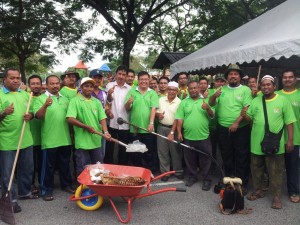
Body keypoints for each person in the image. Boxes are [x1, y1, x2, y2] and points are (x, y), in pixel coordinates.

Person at [241, 75, 295, 209]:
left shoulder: (283, 101)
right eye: (263, 85)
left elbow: (290, 122)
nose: (265, 87)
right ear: (260, 87)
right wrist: (245, 115)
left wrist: (290, 141)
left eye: (268, 84)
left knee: (275, 171)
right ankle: (258, 191)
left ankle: (276, 197)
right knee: (256, 169)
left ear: (274, 86)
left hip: (274, 144)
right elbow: (251, 120)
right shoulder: (256, 101)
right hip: (256, 143)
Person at [209, 64, 252, 191]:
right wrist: (214, 96)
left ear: (239, 76)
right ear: (227, 76)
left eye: (235, 74)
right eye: (230, 74)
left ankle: (242, 183)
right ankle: (229, 180)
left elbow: (246, 108)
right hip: (223, 128)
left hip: (241, 128)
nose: (233, 76)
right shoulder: (222, 89)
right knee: (226, 155)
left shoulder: (245, 90)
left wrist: (236, 123)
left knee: (241, 156)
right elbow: (211, 103)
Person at [0, 68, 37, 214]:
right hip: (7, 140)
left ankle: (25, 192)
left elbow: (33, 111)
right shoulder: (1, 95)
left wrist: (31, 115)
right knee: (7, 173)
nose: (16, 80)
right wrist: (4, 113)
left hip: (25, 138)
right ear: (4, 80)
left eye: (18, 78)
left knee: (27, 169)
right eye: (12, 78)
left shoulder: (26, 94)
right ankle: (11, 199)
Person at [34, 75, 74, 201]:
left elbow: (71, 117)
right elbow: (38, 116)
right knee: (48, 167)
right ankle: (45, 189)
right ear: (47, 84)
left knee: (65, 164)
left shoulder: (65, 99)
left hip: (65, 138)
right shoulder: (40, 99)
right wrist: (45, 105)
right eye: (52, 83)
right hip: (49, 140)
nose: (55, 85)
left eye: (57, 83)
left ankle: (66, 185)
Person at [66, 77, 111, 176]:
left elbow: (102, 118)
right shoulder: (75, 101)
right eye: (86, 86)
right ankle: (83, 188)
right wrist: (86, 127)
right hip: (82, 142)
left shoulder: (96, 102)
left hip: (96, 140)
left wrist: (106, 132)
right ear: (81, 87)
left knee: (98, 167)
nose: (89, 88)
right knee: (83, 167)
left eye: (91, 86)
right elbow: (70, 118)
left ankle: (96, 188)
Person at [176, 81, 214, 190]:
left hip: (204, 136)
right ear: (188, 89)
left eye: (195, 88)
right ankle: (192, 177)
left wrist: (207, 108)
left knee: (205, 159)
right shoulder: (184, 102)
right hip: (188, 137)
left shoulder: (206, 100)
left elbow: (212, 116)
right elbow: (180, 118)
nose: (193, 90)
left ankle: (206, 180)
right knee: (189, 159)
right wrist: (179, 132)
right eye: (191, 88)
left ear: (199, 88)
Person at [125, 71, 159, 172]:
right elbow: (127, 108)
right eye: (141, 79)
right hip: (134, 128)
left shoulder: (152, 93)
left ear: (148, 80)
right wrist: (128, 102)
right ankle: (138, 172)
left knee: (149, 152)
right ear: (138, 80)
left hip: (148, 128)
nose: (143, 81)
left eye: (145, 79)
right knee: (136, 152)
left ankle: (149, 172)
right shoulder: (132, 91)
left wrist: (151, 123)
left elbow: (153, 108)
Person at [276, 69, 300, 203]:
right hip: (277, 139)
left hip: (295, 138)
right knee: (276, 167)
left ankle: (294, 191)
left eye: (290, 77)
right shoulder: (276, 94)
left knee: (293, 167)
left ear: (295, 79)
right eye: (285, 77)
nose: (287, 79)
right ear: (282, 80)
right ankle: (275, 192)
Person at [105, 65, 131, 165]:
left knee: (123, 147)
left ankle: (122, 166)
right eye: (119, 74)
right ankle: (109, 166)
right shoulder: (109, 86)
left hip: (125, 122)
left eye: (124, 75)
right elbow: (107, 102)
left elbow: (130, 105)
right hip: (112, 122)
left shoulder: (129, 89)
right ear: (116, 74)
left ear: (126, 76)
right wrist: (109, 94)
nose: (121, 76)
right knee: (110, 147)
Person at [156, 81, 183, 181]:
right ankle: (165, 173)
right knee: (162, 151)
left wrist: (172, 132)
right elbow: (156, 113)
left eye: (174, 90)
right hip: (161, 127)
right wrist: (159, 115)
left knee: (175, 152)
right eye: (170, 89)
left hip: (174, 129)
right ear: (167, 90)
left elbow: (178, 118)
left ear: (177, 91)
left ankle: (178, 171)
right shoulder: (161, 100)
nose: (171, 91)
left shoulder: (180, 102)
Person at [28, 74, 43, 194]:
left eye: (38, 83)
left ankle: (43, 184)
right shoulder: (25, 98)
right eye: (33, 84)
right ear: (29, 86)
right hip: (29, 137)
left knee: (42, 164)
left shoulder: (45, 98)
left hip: (43, 137)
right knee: (30, 165)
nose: (36, 86)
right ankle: (31, 184)